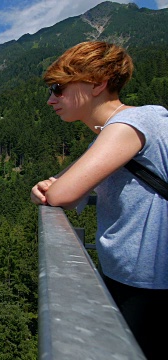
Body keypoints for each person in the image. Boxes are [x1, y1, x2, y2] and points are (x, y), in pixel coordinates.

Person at [30, 41, 168, 359]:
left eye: (58, 88)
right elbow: (59, 188)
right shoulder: (109, 135)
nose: (51, 100)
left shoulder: (133, 123)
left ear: (97, 83)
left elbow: (61, 193)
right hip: (130, 278)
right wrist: (47, 189)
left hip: (151, 287)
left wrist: (52, 190)